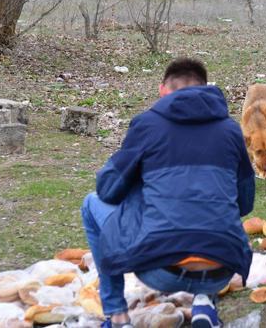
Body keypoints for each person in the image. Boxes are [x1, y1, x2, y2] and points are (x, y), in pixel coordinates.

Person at [81, 58, 255, 328]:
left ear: (163, 90)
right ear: (206, 88)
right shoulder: (231, 130)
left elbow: (108, 191)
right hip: (222, 269)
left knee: (90, 204)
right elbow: (245, 203)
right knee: (212, 210)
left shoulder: (147, 125)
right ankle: (205, 303)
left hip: (160, 270)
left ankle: (116, 315)